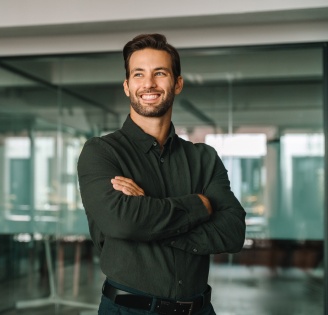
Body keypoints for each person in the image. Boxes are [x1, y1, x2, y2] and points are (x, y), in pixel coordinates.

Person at [77, 33, 246, 315]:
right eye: (138, 74)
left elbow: (232, 233)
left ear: (177, 83)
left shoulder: (203, 158)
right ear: (127, 86)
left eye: (160, 73)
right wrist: (199, 206)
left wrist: (148, 222)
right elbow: (124, 223)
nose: (149, 84)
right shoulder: (101, 153)